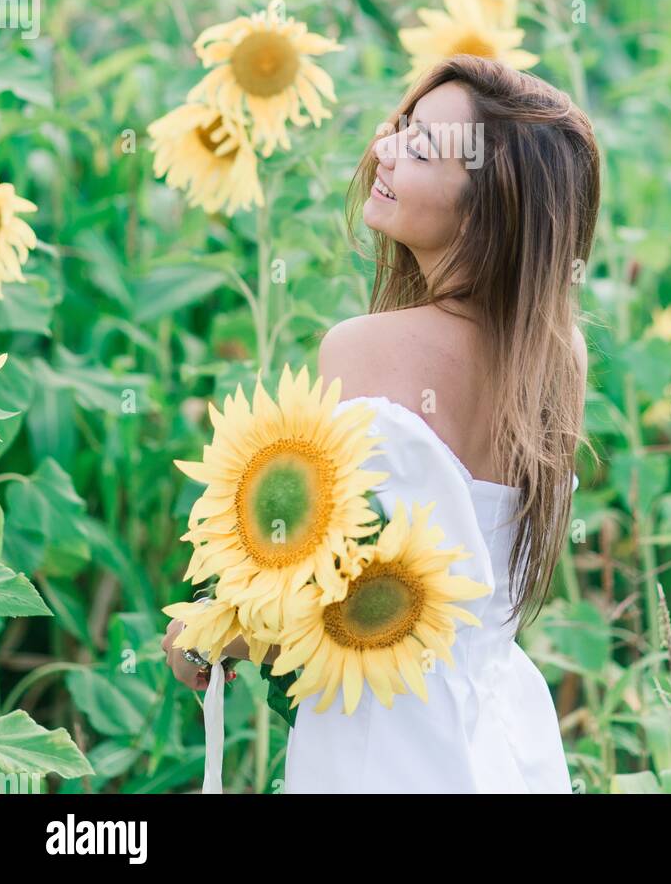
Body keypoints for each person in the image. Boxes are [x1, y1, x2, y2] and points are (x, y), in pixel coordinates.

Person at [162, 53, 600, 793]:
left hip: (382, 735)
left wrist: (206, 635)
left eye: (421, 147)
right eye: (399, 129)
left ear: (489, 205)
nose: (382, 151)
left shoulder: (364, 347)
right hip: (503, 733)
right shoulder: (557, 357)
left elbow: (323, 588)